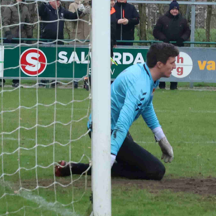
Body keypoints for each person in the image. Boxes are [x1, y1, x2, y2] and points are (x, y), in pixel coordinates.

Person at [55, 42, 178, 180]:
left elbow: (147, 106)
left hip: (106, 126)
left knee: (134, 163)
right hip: (105, 130)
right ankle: (79, 168)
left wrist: (161, 138)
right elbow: (123, 123)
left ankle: (76, 167)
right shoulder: (141, 85)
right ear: (160, 64)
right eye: (172, 62)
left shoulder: (144, 74)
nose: (174, 66)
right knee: (156, 170)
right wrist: (111, 155)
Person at [38, 0, 83, 87]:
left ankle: (54, 80)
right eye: (56, 0)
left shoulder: (62, 10)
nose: (59, 2)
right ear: (51, 2)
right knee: (45, 60)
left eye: (59, 0)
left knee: (56, 60)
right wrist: (43, 3)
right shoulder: (46, 8)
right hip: (46, 39)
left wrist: (80, 10)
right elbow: (40, 12)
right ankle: (43, 80)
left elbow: (73, 16)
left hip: (58, 40)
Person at [153, 0, 190, 90]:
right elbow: (156, 31)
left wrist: (182, 39)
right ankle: (162, 85)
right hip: (164, 47)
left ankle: (174, 85)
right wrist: (163, 38)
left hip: (177, 48)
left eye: (176, 9)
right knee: (163, 65)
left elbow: (188, 31)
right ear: (170, 9)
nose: (175, 11)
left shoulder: (183, 20)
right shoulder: (162, 19)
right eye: (173, 9)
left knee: (174, 66)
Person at [0, 0, 27, 88]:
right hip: (9, 37)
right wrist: (7, 32)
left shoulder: (25, 8)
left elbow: (27, 23)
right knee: (6, 59)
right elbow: (5, 21)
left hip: (20, 38)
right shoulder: (9, 7)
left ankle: (16, 81)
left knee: (18, 61)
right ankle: (1, 80)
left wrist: (29, 35)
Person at [67, 0, 92, 89]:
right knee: (76, 59)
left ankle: (87, 81)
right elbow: (71, 19)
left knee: (88, 59)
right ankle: (75, 80)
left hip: (89, 35)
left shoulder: (91, 5)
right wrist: (80, 12)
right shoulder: (73, 5)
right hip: (77, 35)